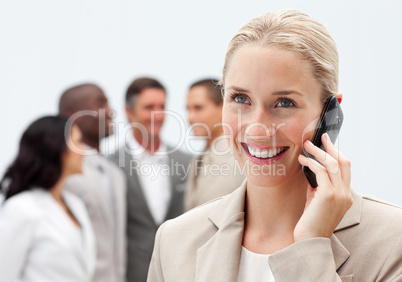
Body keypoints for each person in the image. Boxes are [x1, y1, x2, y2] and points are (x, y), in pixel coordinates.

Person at [147, 10, 402, 281]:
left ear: (330, 113)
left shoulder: (392, 242)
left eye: (285, 102)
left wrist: (310, 248)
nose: (257, 127)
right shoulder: (174, 242)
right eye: (240, 98)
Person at [109, 77, 191, 282]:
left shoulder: (187, 162)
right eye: (149, 107)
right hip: (132, 275)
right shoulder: (110, 166)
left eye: (162, 107)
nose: (157, 115)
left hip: (179, 274)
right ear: (129, 112)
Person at [0, 116, 96, 282]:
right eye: (78, 142)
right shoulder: (20, 209)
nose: (84, 151)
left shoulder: (76, 205)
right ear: (57, 148)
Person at [59, 83, 127, 282]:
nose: (111, 112)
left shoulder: (116, 174)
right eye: (100, 105)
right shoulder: (62, 175)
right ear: (73, 116)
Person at [184, 78, 244, 211]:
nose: (190, 117)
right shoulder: (196, 161)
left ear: (223, 107)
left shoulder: (241, 157)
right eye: (188, 109)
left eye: (198, 108)